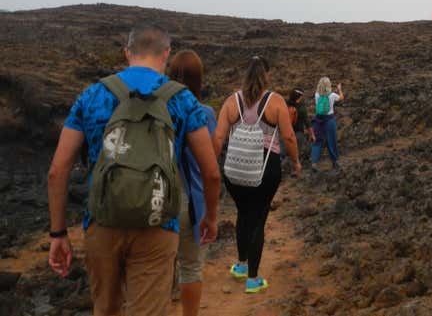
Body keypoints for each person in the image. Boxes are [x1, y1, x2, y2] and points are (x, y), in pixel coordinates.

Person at [47, 25, 220, 316]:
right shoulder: (182, 99)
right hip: (158, 222)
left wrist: (57, 233)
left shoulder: (92, 95)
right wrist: (211, 217)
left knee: (106, 309)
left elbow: (58, 170)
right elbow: (211, 172)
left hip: (102, 221)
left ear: (127, 53)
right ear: (166, 53)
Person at [212, 56, 301, 294]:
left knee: (243, 213)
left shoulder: (232, 101)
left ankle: (241, 266)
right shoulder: (275, 101)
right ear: (267, 76)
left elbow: (219, 137)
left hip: (235, 167)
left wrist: (211, 165)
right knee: (258, 218)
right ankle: (253, 279)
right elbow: (289, 136)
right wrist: (296, 162)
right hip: (265, 168)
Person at [167, 50, 217, 316]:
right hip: (190, 200)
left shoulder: (157, 110)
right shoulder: (205, 113)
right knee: (191, 267)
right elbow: (210, 169)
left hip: (155, 196)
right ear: (199, 80)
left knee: (159, 266)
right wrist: (212, 214)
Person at [311, 77, 344, 172]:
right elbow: (341, 98)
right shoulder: (332, 95)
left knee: (316, 141)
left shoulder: (316, 94)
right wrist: (340, 90)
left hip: (318, 120)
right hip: (329, 120)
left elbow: (324, 95)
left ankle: (314, 163)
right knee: (331, 141)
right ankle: (335, 162)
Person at [287, 89, 315, 165]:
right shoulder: (301, 108)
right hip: (298, 133)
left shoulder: (285, 103)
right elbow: (307, 122)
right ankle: (295, 170)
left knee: (285, 152)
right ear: (299, 97)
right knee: (296, 154)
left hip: (285, 132)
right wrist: (312, 135)